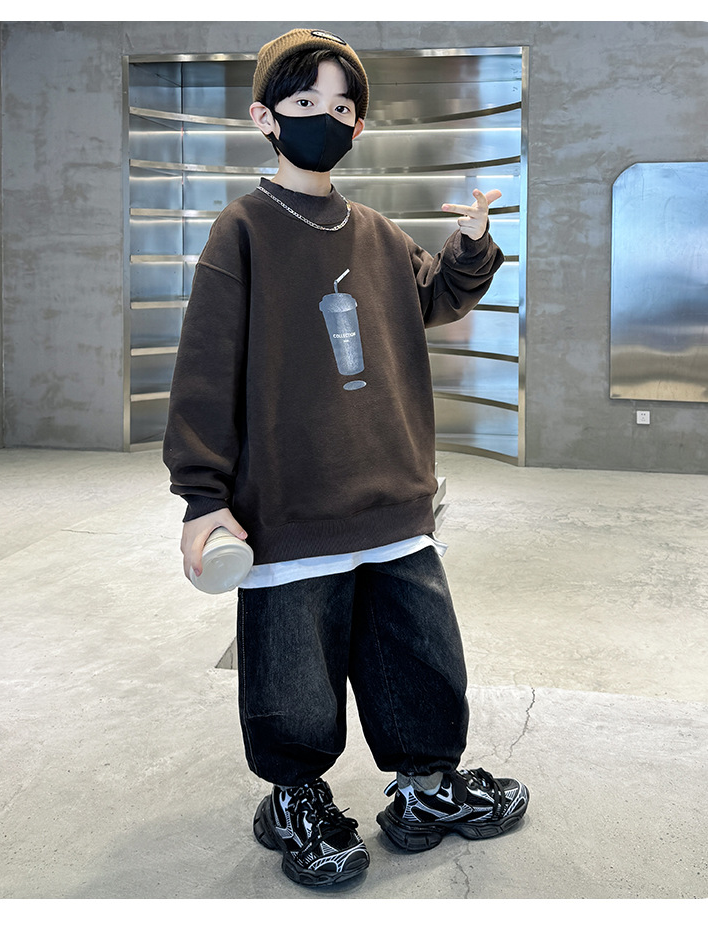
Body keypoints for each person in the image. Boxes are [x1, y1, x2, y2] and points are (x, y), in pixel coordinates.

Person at [163, 28, 529, 888]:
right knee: (293, 675)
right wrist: (203, 497)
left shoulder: (376, 232)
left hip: (395, 496)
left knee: (421, 656)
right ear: (265, 118)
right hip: (290, 506)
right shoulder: (243, 231)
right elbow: (206, 366)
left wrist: (472, 243)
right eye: (305, 103)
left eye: (341, 107)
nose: (325, 119)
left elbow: (437, 295)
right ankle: (295, 797)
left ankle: (427, 789)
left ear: (358, 126)